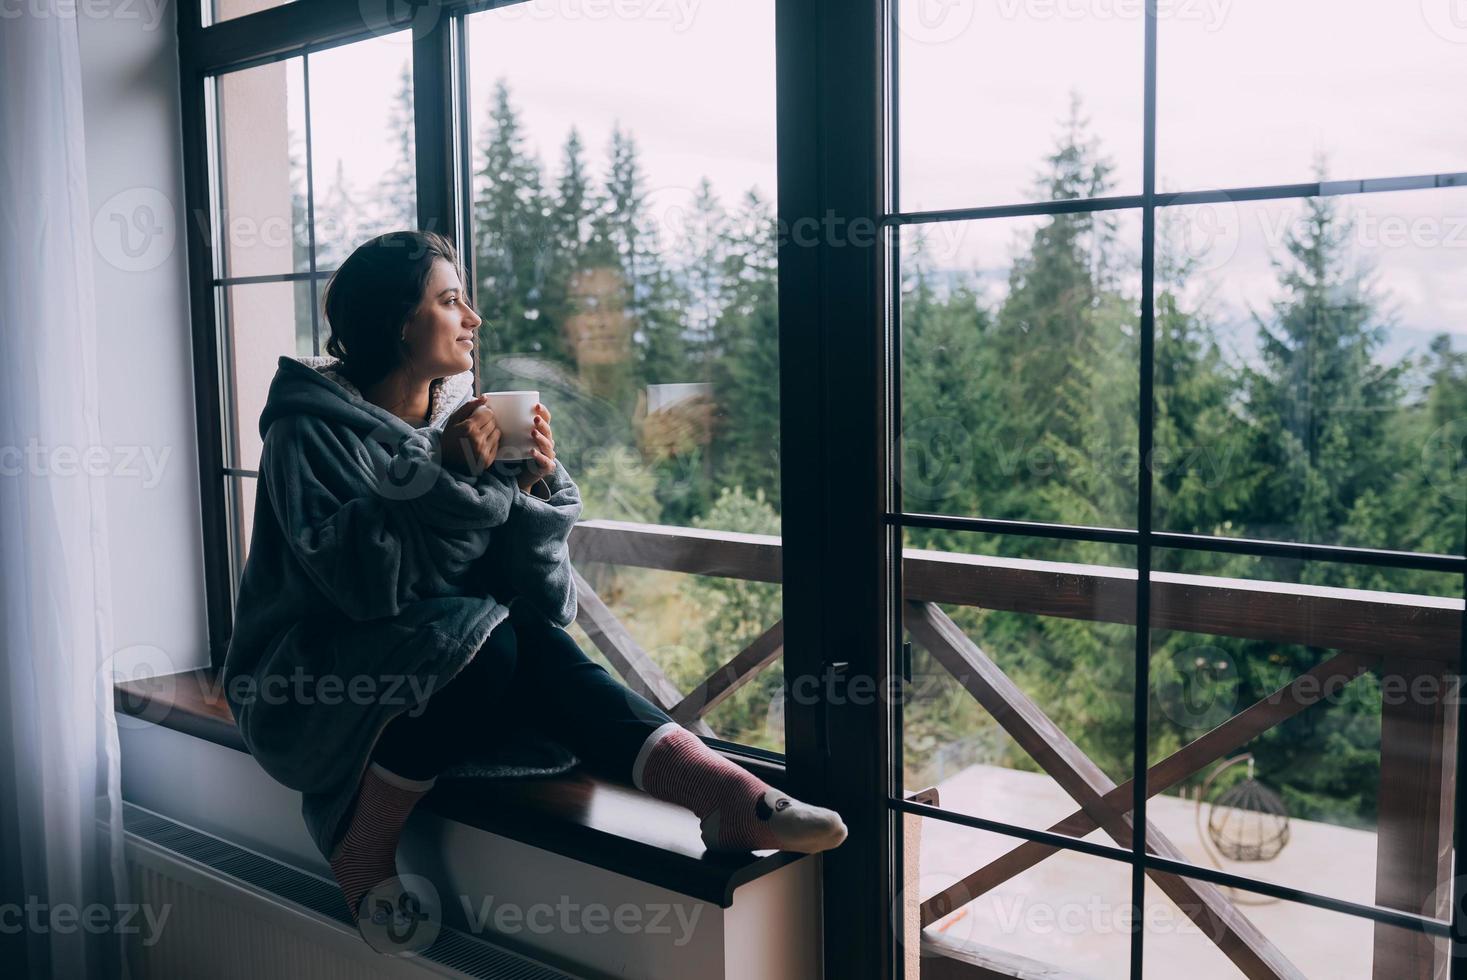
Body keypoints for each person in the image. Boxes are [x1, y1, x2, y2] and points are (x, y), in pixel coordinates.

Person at [220, 230, 846, 941]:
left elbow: (541, 599)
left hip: (440, 669)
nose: (474, 320)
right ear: (398, 322)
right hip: (312, 684)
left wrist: (528, 489)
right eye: (451, 301)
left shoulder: (463, 421)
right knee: (492, 646)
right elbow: (360, 590)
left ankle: (724, 794)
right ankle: (360, 849)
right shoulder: (309, 434)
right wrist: (442, 475)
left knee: (519, 637)